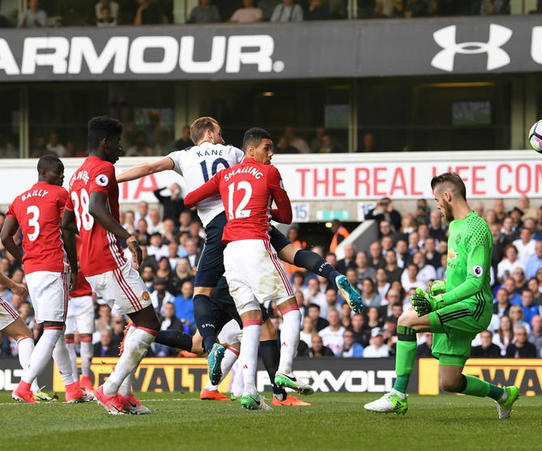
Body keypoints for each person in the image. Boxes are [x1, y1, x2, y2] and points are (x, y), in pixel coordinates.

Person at [117, 117, 362, 393]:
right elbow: (252, 179)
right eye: (220, 133)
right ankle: (277, 385)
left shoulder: (183, 156)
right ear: (209, 132)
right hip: (245, 223)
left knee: (205, 297)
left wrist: (113, 179)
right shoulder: (234, 152)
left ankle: (221, 364)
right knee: (286, 268)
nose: (222, 138)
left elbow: (152, 169)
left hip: (224, 238)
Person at [365, 172, 519, 419]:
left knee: (405, 321)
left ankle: (398, 395)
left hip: (473, 307)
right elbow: (462, 275)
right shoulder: (455, 225)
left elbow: (476, 282)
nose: (436, 206)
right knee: (449, 382)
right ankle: (503, 395)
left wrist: (438, 301)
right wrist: (442, 286)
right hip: (458, 302)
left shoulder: (477, 230)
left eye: (437, 200)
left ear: (447, 196)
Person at [184, 127, 295, 410]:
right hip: (256, 245)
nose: (271, 154)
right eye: (267, 148)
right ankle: (285, 374)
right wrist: (262, 209)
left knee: (250, 322)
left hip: (229, 252)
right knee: (291, 309)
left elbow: (189, 200)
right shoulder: (269, 173)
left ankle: (249, 391)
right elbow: (287, 216)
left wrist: (232, 207)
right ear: (251, 150)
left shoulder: (225, 176)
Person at [62, 117, 160, 414]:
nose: (121, 147)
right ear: (105, 142)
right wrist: (127, 235)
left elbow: (67, 224)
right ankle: (110, 388)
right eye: (117, 142)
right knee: (150, 324)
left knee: (137, 322)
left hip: (93, 264)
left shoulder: (77, 175)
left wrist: (77, 262)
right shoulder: (103, 169)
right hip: (109, 257)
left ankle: (125, 394)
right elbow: (95, 207)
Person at [1, 155, 90, 405]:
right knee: (53, 329)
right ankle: (24, 386)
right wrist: (73, 266)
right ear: (44, 172)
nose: (63, 175)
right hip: (53, 265)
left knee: (55, 329)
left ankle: (72, 388)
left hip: (33, 269)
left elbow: (5, 236)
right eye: (59, 171)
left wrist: (24, 258)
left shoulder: (19, 199)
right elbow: (67, 230)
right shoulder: (61, 194)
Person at [65, 270, 96, 393]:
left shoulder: (85, 250)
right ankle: (74, 382)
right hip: (67, 298)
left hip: (85, 297)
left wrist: (94, 291)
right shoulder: (60, 250)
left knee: (87, 338)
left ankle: (86, 378)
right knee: (67, 340)